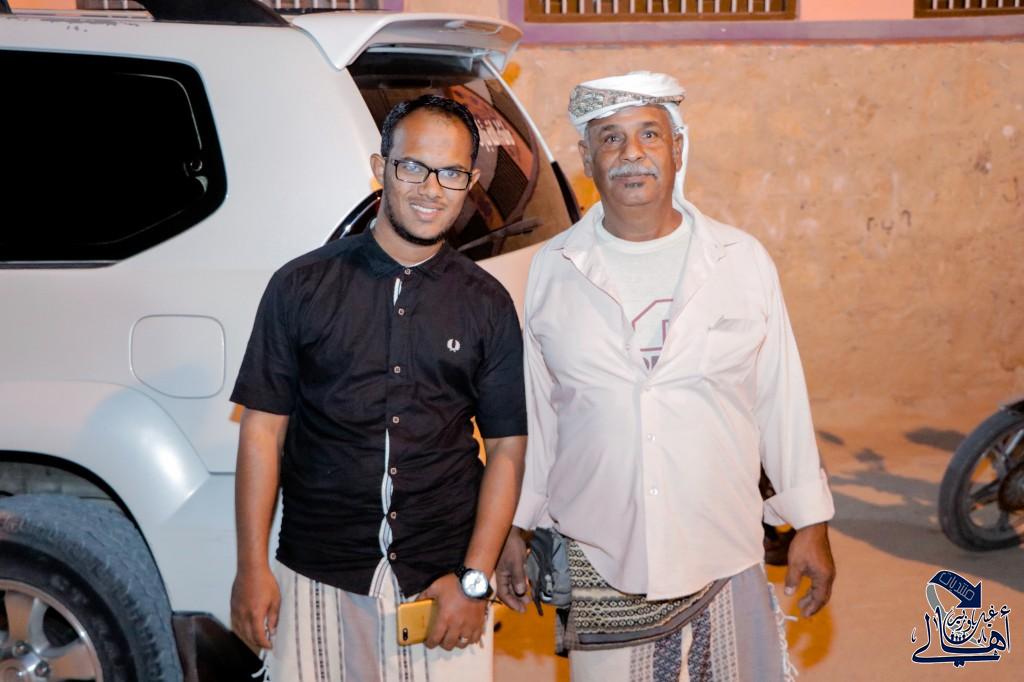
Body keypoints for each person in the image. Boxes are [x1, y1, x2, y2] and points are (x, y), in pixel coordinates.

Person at [496, 72, 836, 681]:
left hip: (722, 546)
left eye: (649, 135)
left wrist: (809, 521)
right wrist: (518, 524)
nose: (632, 153)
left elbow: (779, 399)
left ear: (677, 148)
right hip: (601, 551)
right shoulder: (554, 268)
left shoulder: (741, 260)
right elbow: (541, 414)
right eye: (610, 138)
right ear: (587, 161)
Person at [230, 94, 527, 681]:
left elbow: (508, 449)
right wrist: (252, 567)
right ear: (380, 167)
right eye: (413, 166)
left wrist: (475, 578)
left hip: (444, 585)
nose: (431, 189)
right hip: (317, 570)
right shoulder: (300, 286)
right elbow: (262, 432)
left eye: (451, 173)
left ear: (470, 183)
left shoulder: (487, 304)